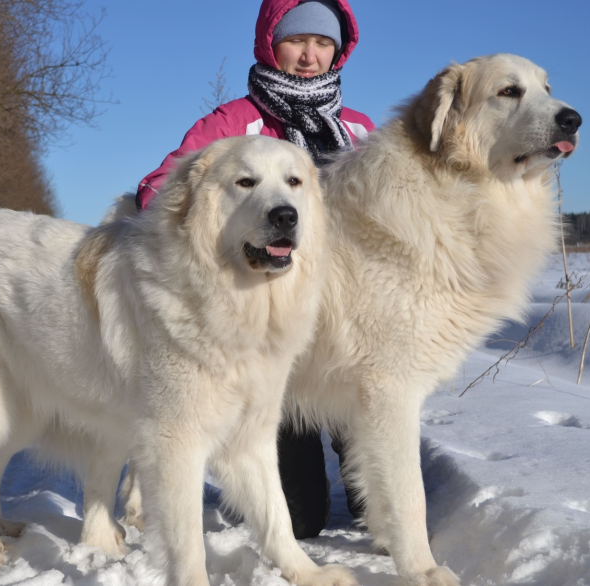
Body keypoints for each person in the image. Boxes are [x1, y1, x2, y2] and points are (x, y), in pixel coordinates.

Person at [135, 0, 375, 539]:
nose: (310, 56)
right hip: (270, 320)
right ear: (271, 42)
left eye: (323, 44)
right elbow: (166, 186)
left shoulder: (357, 130)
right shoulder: (230, 123)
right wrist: (167, 224)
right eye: (297, 41)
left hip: (345, 321)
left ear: (339, 51)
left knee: (372, 508)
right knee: (302, 519)